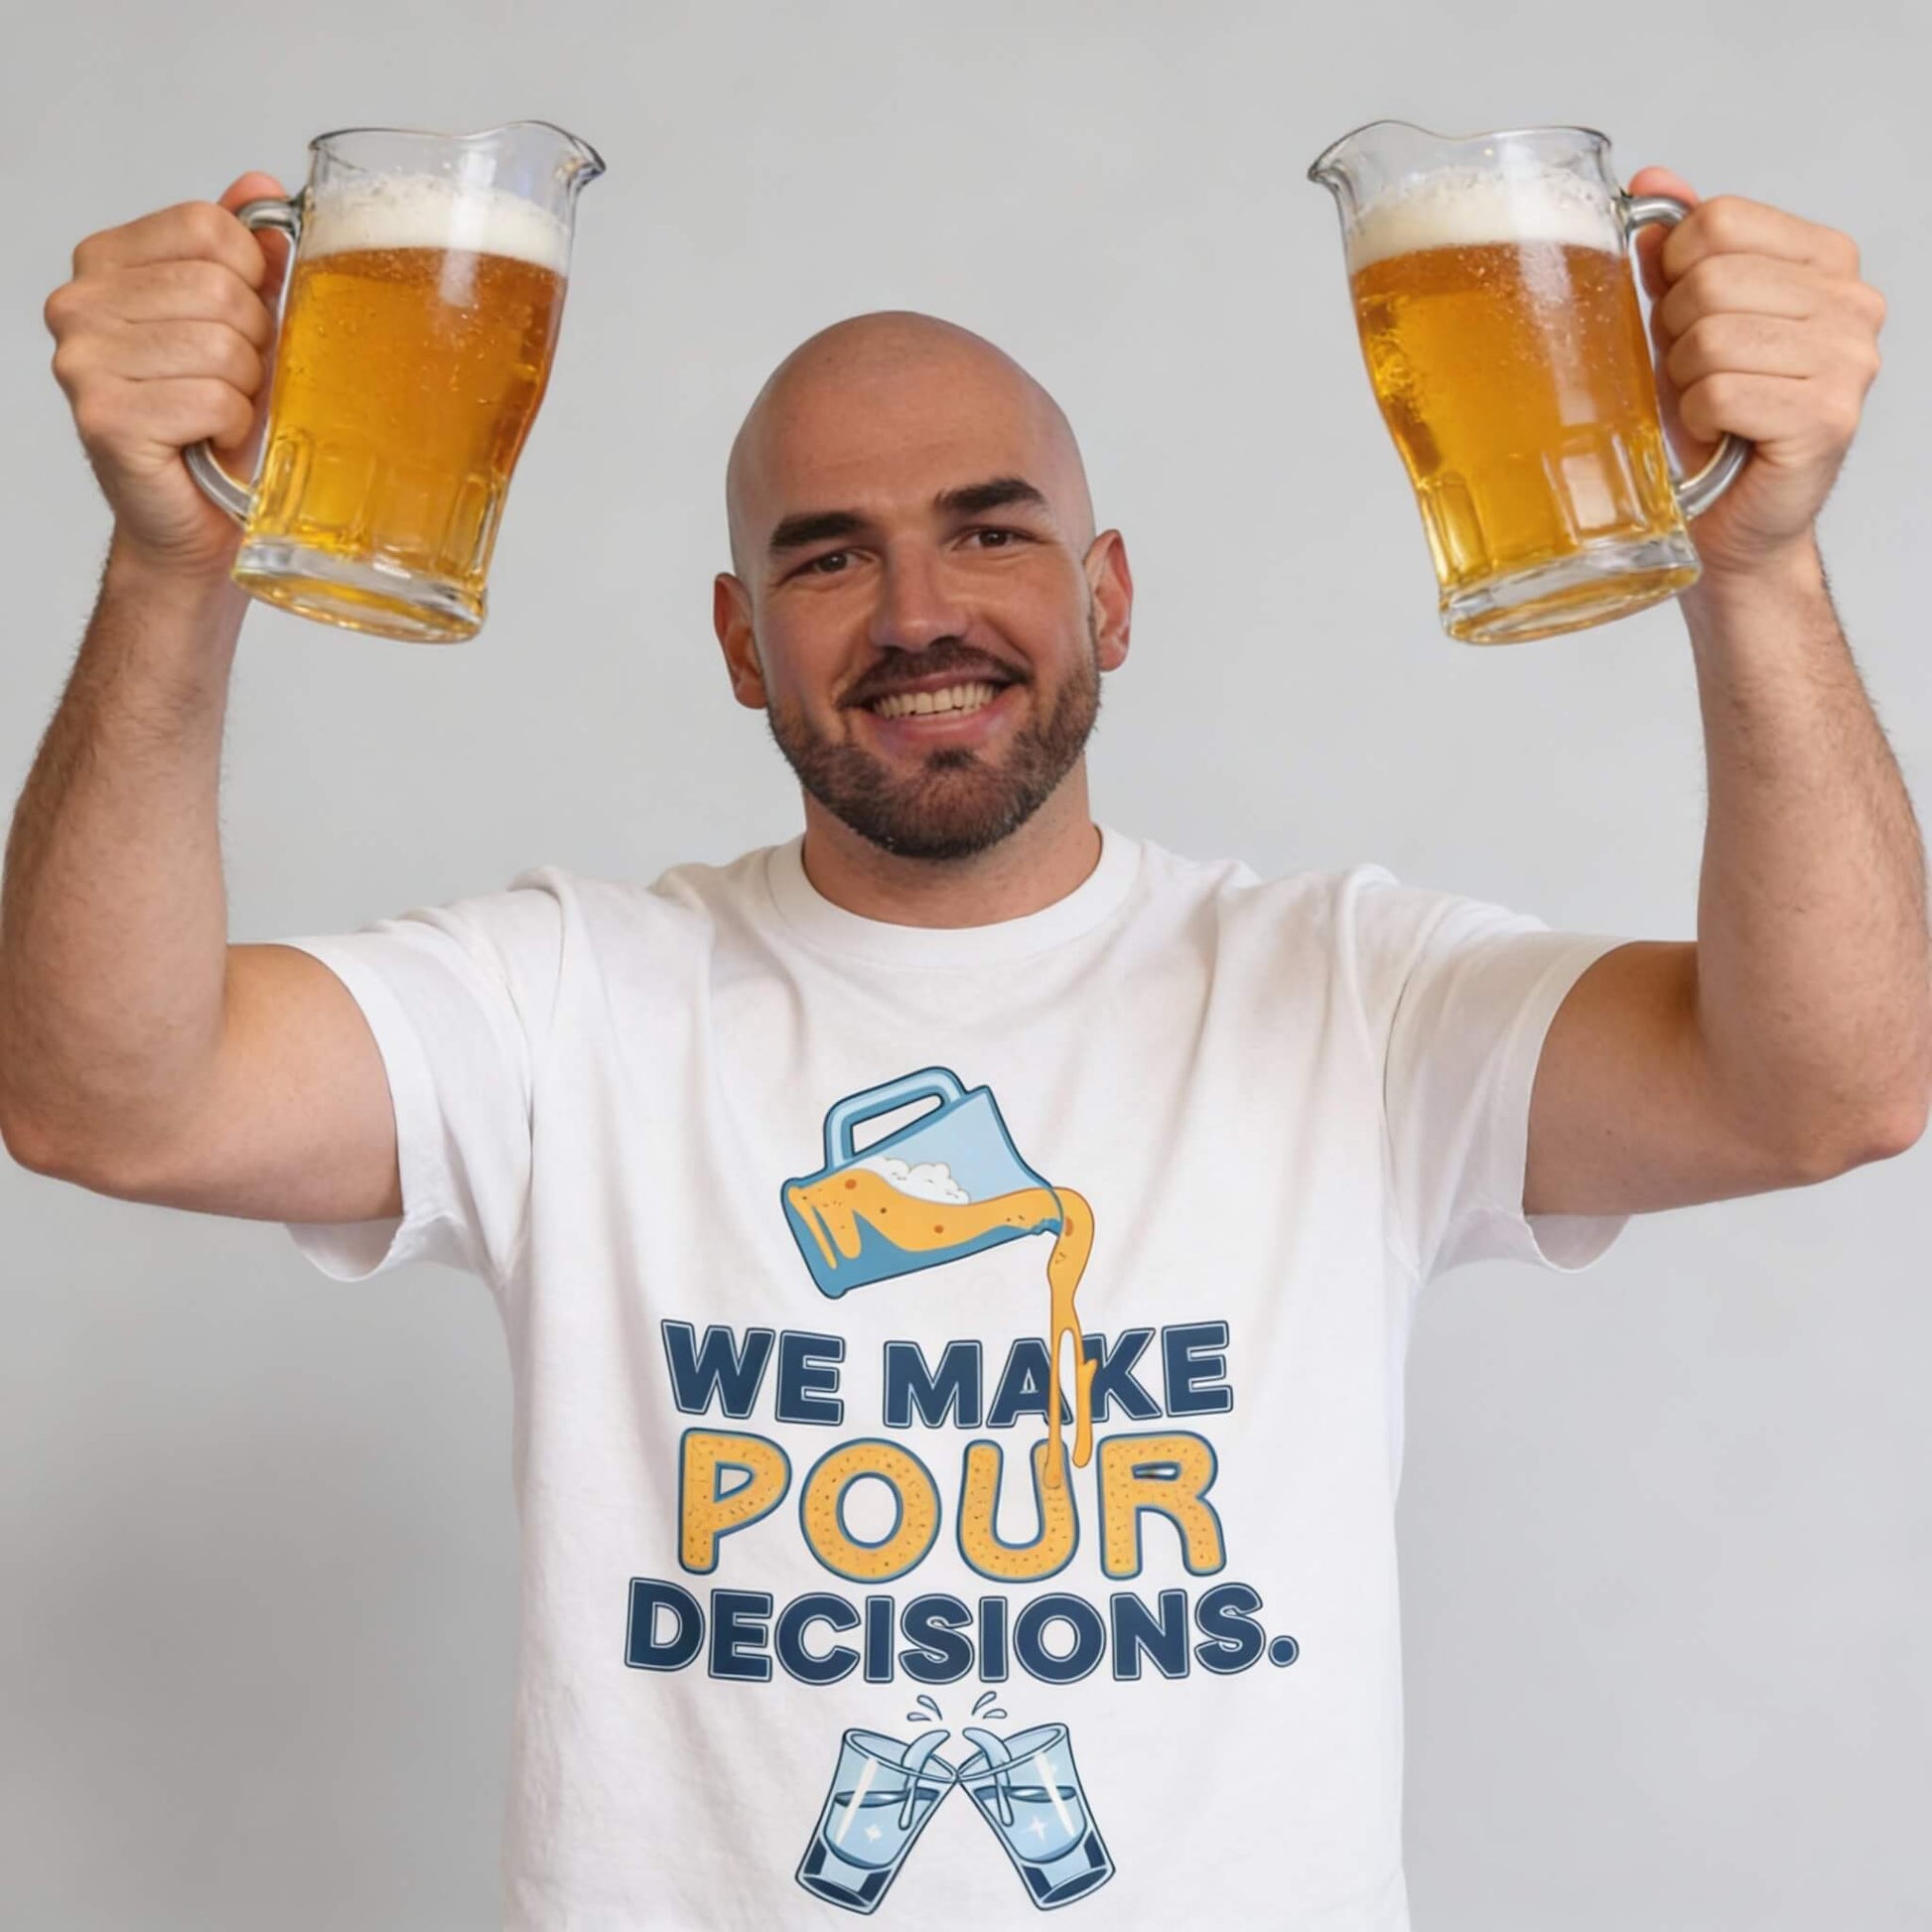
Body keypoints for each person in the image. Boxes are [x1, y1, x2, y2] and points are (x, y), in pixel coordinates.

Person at [4, 161, 1924, 1932]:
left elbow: (1833, 1084)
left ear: (1103, 597)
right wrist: (174, 573)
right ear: (742, 641)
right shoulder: (567, 1001)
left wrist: (1753, 569)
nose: (919, 612)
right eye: (827, 557)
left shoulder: (1349, 991)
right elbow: (104, 1098)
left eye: (987, 531)